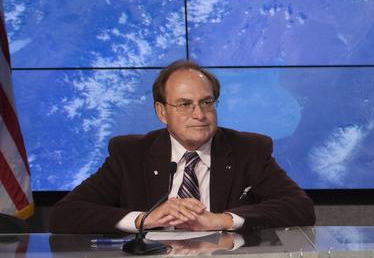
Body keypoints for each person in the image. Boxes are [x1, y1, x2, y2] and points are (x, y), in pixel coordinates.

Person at [49, 60, 315, 234]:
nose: (199, 114)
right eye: (185, 104)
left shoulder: (248, 150)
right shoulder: (130, 154)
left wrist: (222, 220)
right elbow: (65, 215)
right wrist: (145, 219)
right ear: (161, 112)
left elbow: (300, 208)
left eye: (207, 102)